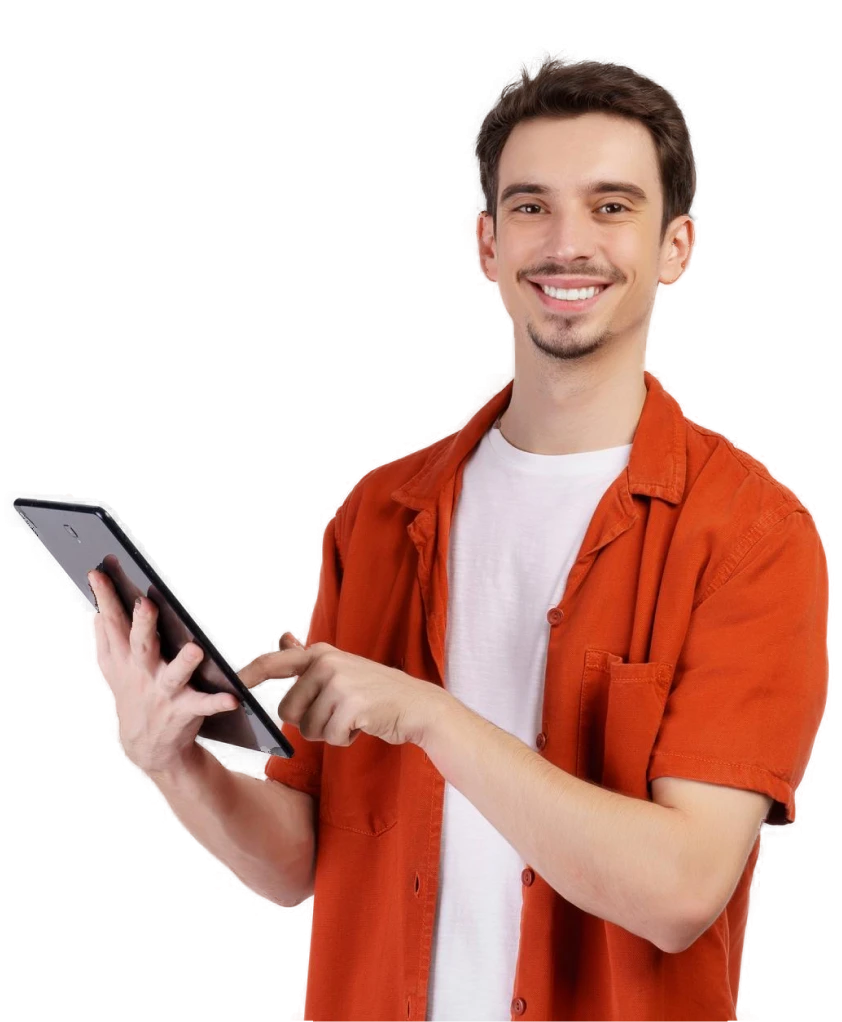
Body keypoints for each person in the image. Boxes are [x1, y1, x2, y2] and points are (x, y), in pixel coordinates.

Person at [86, 51, 833, 1022]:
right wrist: (171, 760)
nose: (568, 242)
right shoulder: (378, 508)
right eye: (529, 206)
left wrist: (431, 716)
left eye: (611, 206)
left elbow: (679, 890)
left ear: (674, 249)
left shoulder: (752, 535)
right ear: (480, 246)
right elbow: (302, 862)